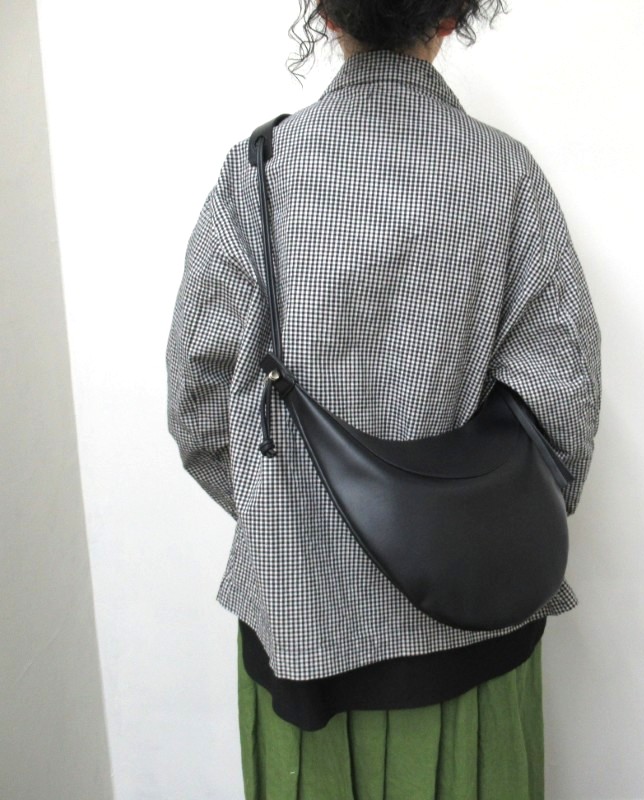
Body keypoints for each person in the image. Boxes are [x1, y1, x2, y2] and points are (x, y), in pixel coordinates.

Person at [166, 0, 602, 797]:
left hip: (302, 632)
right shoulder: (506, 174)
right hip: (477, 623)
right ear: (453, 17)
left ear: (327, 16)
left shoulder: (258, 173)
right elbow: (563, 400)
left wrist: (289, 515)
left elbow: (198, 405)